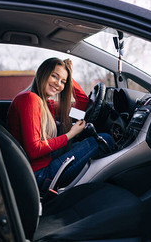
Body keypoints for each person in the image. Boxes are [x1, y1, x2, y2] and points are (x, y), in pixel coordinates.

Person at [7, 57, 113, 194]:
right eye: (54, 76)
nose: (58, 84)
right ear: (43, 73)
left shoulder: (46, 104)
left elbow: (81, 106)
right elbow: (34, 150)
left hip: (40, 163)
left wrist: (68, 75)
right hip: (37, 174)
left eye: (63, 81)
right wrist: (71, 134)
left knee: (89, 142)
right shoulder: (30, 99)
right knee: (105, 139)